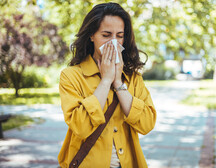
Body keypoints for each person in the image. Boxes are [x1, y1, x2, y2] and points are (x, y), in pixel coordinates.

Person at [58, 2, 156, 168]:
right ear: (91, 36)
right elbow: (80, 127)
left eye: (119, 36)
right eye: (106, 35)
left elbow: (147, 124)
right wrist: (105, 81)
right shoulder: (71, 76)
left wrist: (118, 82)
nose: (113, 42)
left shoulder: (132, 78)